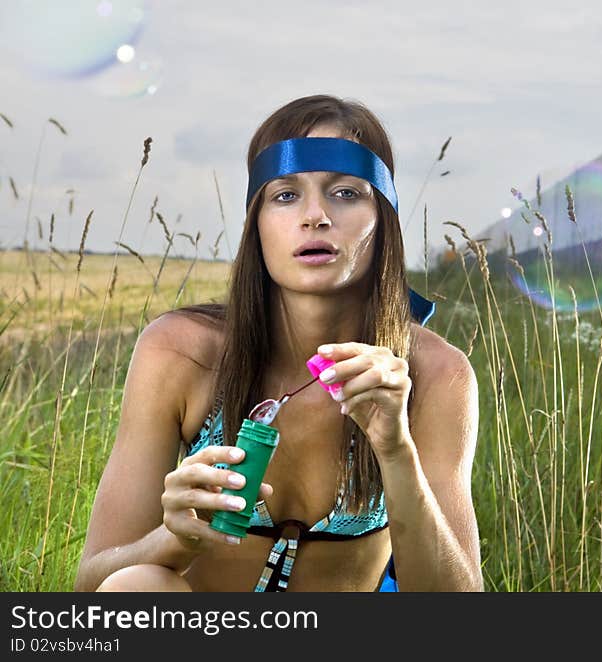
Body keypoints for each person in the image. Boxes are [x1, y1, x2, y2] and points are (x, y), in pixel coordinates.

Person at [74, 94, 483, 592]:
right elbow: (92, 583)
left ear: (384, 219)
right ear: (256, 223)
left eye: (347, 193)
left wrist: (395, 451)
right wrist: (174, 536)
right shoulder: (181, 351)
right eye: (285, 196)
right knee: (134, 586)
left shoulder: (435, 374)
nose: (315, 216)